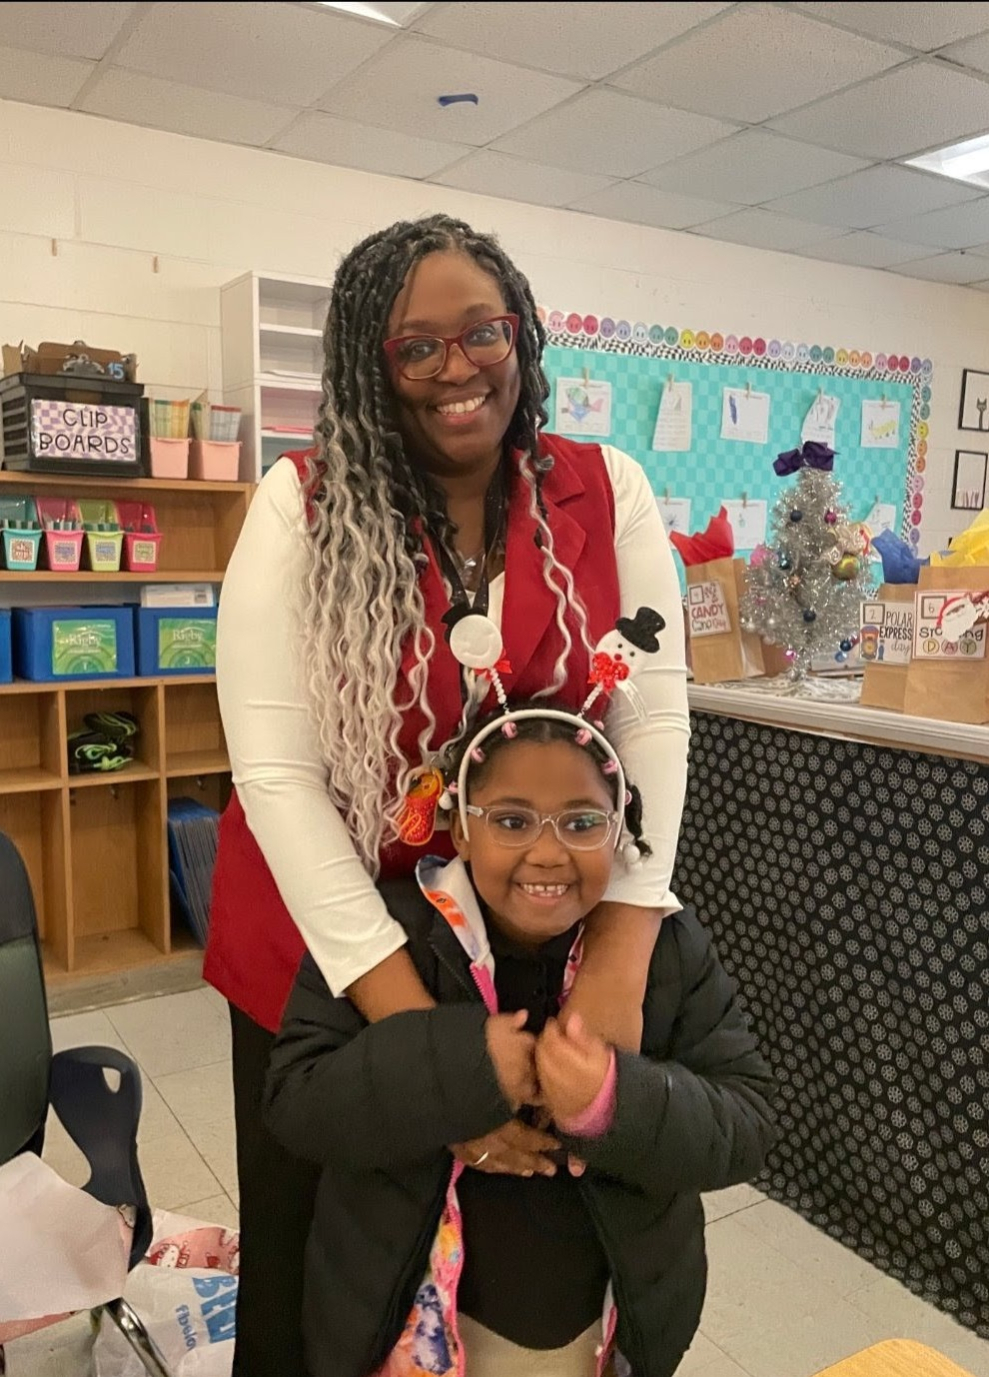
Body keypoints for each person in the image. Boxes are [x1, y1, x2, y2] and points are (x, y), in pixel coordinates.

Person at [205, 213, 691, 1376]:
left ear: (520, 334)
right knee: (315, 1272)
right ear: (369, 365)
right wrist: (426, 1049)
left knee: (498, 1258)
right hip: (324, 953)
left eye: (481, 332)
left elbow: (652, 720)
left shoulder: (604, 490)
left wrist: (621, 953)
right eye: (414, 346)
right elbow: (274, 776)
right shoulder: (300, 504)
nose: (454, 366)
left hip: (518, 937)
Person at [263, 678, 776, 1377]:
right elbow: (297, 1102)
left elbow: (744, 1124)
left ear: (620, 830)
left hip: (598, 1331)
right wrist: (459, 1068)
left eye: (581, 822)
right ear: (460, 829)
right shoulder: (388, 935)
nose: (547, 852)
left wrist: (612, 1099)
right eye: (511, 821)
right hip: (404, 1324)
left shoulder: (668, 951)